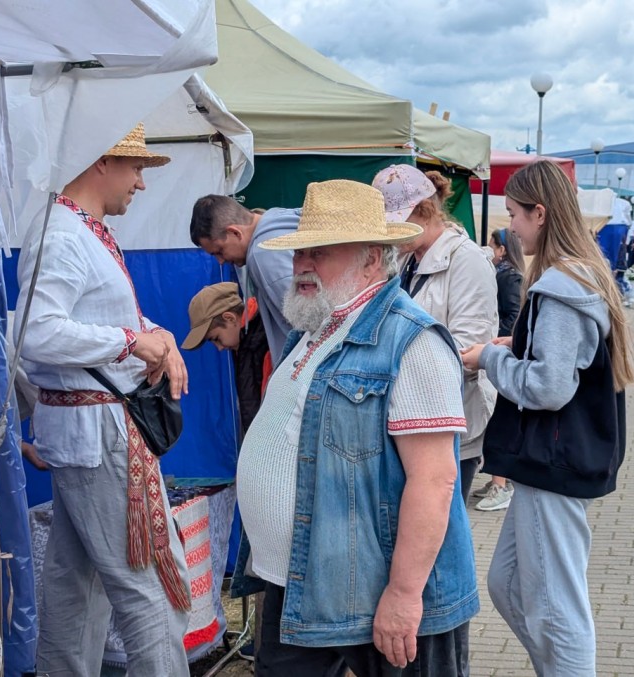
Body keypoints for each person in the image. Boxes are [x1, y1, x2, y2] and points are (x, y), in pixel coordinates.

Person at [236, 179, 479, 675]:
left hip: (380, 593)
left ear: (372, 260)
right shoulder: (314, 329)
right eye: (300, 252)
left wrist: (404, 594)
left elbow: (434, 480)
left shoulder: (412, 340)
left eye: (320, 252)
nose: (303, 265)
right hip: (302, 583)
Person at [13, 124, 191, 676]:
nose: (141, 182)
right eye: (135, 167)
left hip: (93, 432)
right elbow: (36, 332)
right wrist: (131, 341)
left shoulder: (80, 229)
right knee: (152, 590)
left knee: (76, 591)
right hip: (99, 434)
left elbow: (98, 315)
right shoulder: (64, 234)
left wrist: (155, 335)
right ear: (101, 162)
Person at [460, 161, 634, 675]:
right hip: (554, 461)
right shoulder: (580, 274)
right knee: (509, 584)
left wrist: (490, 359)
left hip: (552, 462)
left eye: (515, 214)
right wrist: (519, 345)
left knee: (558, 607)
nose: (510, 227)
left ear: (540, 213)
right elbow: (567, 363)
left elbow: (548, 388)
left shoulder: (560, 285)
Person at [372, 164, 498, 502]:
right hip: (409, 416)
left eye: (397, 222)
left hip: (450, 421)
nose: (391, 234)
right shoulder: (407, 259)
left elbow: (469, 349)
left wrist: (393, 360)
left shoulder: (467, 260)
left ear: (425, 211)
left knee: (438, 521)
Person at [189, 195, 300, 359]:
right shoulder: (280, 219)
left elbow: (307, 322)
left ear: (234, 232)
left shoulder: (263, 254)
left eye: (219, 251)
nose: (220, 261)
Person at [471, 228, 524, 512]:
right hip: (498, 352)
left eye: (492, 245)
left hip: (500, 354)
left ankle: (501, 485)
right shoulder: (502, 273)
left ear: (502, 250)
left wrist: (499, 337)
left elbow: (512, 314)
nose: (488, 248)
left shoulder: (509, 276)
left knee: (499, 420)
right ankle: (498, 480)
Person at [181, 282, 271, 436]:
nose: (219, 348)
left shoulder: (263, 341)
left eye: (216, 338)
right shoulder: (244, 342)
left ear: (230, 318)